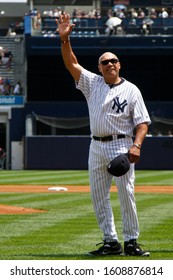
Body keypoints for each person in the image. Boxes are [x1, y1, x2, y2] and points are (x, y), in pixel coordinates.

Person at [56, 12, 151, 257]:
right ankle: (111, 242)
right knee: (99, 196)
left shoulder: (131, 90)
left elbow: (142, 123)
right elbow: (71, 64)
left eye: (113, 61)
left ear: (120, 65)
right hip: (96, 146)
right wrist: (65, 40)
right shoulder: (92, 83)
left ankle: (131, 241)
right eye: (105, 62)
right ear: (99, 67)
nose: (110, 64)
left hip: (121, 145)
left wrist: (137, 146)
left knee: (127, 194)